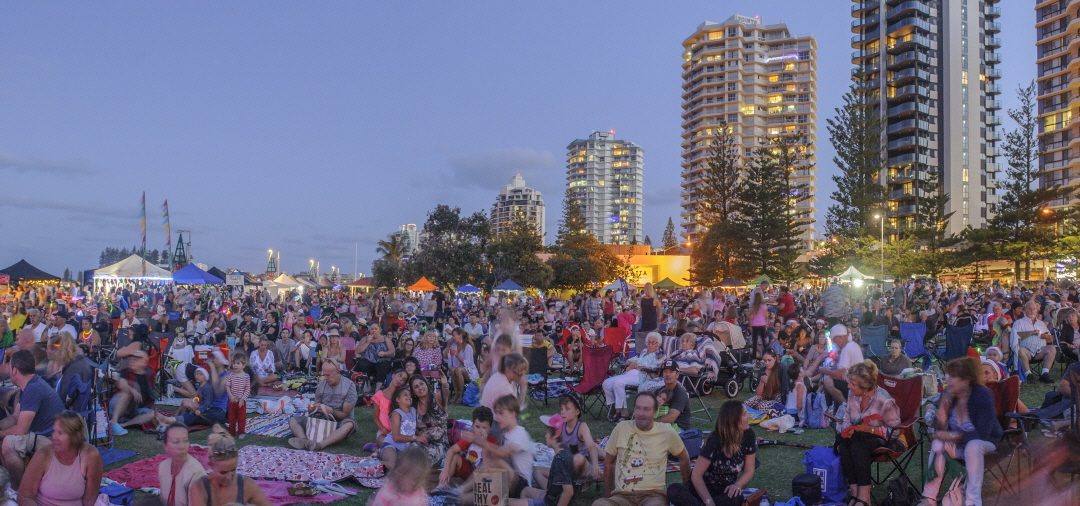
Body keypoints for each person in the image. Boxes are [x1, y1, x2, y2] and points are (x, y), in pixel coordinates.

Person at [921, 357, 1003, 506]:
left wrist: (953, 436)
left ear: (966, 379)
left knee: (973, 446)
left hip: (986, 443)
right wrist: (942, 412)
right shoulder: (950, 393)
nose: (948, 379)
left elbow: (982, 434)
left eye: (953, 376)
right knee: (938, 444)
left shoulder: (983, 395)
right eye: (948, 375)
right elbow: (940, 430)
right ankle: (929, 498)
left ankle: (973, 501)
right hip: (959, 443)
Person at [596, 392, 691, 506]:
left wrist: (687, 488)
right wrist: (608, 495)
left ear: (655, 412)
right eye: (638, 408)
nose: (641, 413)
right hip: (622, 495)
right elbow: (609, 462)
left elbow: (684, 458)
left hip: (653, 495)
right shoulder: (621, 428)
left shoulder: (666, 431)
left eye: (646, 409)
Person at [667, 401, 760, 506]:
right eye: (744, 414)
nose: (749, 416)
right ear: (733, 420)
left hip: (723, 492)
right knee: (673, 489)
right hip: (701, 490)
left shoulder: (749, 436)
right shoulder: (715, 440)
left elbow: (749, 470)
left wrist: (738, 485)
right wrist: (708, 501)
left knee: (736, 497)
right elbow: (697, 475)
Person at [834, 361, 900, 506]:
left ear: (865, 387)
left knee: (859, 443)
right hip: (858, 434)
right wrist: (846, 430)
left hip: (883, 438)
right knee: (844, 444)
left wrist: (870, 429)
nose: (848, 386)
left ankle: (864, 497)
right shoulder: (853, 394)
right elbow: (847, 416)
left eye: (852, 384)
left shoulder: (884, 400)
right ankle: (854, 492)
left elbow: (894, 431)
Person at [0, 349, 65, 486]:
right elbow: (15, 417)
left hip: (52, 439)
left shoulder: (33, 389)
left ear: (15, 370)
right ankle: (14, 484)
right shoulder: (30, 385)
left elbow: (20, 430)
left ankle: (20, 489)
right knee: (5, 440)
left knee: (8, 443)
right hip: (44, 435)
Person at [16, 410, 103, 506]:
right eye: (54, 431)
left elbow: (90, 499)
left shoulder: (90, 456)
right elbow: (25, 496)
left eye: (60, 433)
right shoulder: (43, 456)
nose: (54, 436)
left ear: (75, 436)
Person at [187, 427, 269, 506]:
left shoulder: (246, 485)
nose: (229, 477)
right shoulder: (200, 487)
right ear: (211, 465)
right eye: (223, 472)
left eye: (233, 470)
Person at [508, 415, 578, 506]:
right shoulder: (565, 452)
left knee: (506, 502)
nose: (545, 435)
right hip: (552, 495)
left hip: (550, 503)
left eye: (547, 432)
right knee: (526, 491)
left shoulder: (560, 459)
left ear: (556, 433)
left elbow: (568, 492)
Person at [287, 360, 357, 451]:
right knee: (293, 420)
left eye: (328, 375)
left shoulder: (349, 386)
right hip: (321, 419)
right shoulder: (321, 385)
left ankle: (320, 445)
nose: (326, 378)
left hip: (340, 422)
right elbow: (316, 405)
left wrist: (331, 411)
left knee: (349, 425)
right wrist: (312, 409)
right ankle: (304, 441)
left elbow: (345, 414)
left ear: (337, 372)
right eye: (324, 375)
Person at [603, 332, 664, 421]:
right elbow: (635, 359)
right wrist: (630, 363)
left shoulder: (660, 354)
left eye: (653, 342)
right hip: (631, 373)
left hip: (642, 376)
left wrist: (639, 366)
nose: (650, 344)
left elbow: (657, 367)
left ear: (659, 344)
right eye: (649, 342)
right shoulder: (644, 351)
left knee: (618, 383)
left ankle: (623, 412)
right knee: (606, 383)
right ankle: (614, 405)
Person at [438, 406, 495, 487]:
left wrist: (483, 443)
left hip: (483, 476)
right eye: (477, 427)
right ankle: (442, 485)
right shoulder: (471, 437)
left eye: (484, 428)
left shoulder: (492, 441)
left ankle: (465, 488)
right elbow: (451, 450)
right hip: (469, 470)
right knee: (455, 457)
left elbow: (489, 464)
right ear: (472, 425)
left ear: (490, 428)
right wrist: (445, 470)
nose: (480, 431)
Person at [157, 423, 207, 506]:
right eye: (176, 442)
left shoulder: (196, 472)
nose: (182, 446)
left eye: (185, 440)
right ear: (165, 446)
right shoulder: (163, 467)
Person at [410, 374, 449, 466]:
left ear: (426, 384)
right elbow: (413, 428)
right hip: (421, 441)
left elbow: (445, 395)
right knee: (410, 452)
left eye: (421, 384)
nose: (420, 388)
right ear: (413, 392)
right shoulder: (414, 407)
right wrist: (419, 436)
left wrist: (444, 384)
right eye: (416, 387)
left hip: (439, 442)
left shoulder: (437, 397)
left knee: (426, 457)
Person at [1013, 301, 1056, 383]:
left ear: (1037, 311)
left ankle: (1045, 374)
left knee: (1052, 348)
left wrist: (1044, 336)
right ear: (1025, 310)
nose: (1032, 311)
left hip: (1039, 352)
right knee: (1020, 350)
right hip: (1026, 352)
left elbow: (1050, 339)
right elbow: (1015, 337)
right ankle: (1028, 375)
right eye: (1029, 308)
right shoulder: (1019, 323)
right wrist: (1031, 333)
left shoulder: (1041, 324)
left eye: (1034, 309)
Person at [822, 324, 864, 406]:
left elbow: (839, 374)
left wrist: (823, 370)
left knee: (827, 381)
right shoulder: (853, 345)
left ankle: (844, 406)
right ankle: (836, 406)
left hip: (854, 382)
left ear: (840, 337)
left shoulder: (847, 348)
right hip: (856, 379)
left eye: (835, 340)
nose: (835, 343)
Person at [655, 361, 692, 431]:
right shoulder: (659, 391)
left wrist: (651, 423)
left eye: (671, 372)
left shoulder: (680, 393)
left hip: (679, 429)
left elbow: (671, 417)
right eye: (665, 371)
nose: (668, 374)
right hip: (663, 427)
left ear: (677, 374)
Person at [446, 328, 479, 404]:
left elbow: (469, 364)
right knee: (454, 369)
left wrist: (457, 355)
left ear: (460, 335)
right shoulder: (452, 347)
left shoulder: (468, 347)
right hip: (456, 371)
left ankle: (460, 395)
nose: (453, 338)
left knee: (458, 370)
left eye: (454, 336)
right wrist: (448, 345)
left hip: (470, 372)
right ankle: (457, 394)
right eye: (452, 336)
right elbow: (450, 364)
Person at [225, 354, 250, 438]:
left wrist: (243, 399)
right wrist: (231, 396)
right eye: (234, 363)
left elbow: (247, 389)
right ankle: (231, 432)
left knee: (241, 418)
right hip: (232, 401)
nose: (235, 365)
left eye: (238, 363)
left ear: (243, 365)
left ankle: (241, 432)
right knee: (231, 418)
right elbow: (227, 386)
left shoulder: (246, 377)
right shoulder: (231, 375)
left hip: (241, 402)